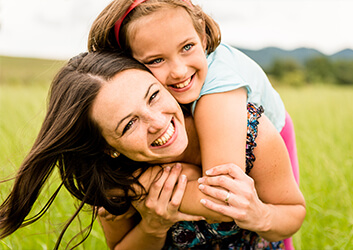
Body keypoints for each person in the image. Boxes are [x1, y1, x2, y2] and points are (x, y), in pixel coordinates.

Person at [0, 51, 305, 249]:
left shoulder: (246, 129)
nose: (158, 122)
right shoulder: (116, 181)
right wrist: (153, 226)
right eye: (129, 124)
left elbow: (292, 213)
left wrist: (259, 214)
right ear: (108, 149)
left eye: (153, 95)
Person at [88, 0, 300, 248]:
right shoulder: (131, 114)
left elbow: (224, 197)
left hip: (271, 138)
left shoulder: (219, 92)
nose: (178, 71)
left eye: (187, 46)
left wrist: (136, 187)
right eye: (156, 60)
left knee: (273, 219)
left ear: (202, 35)